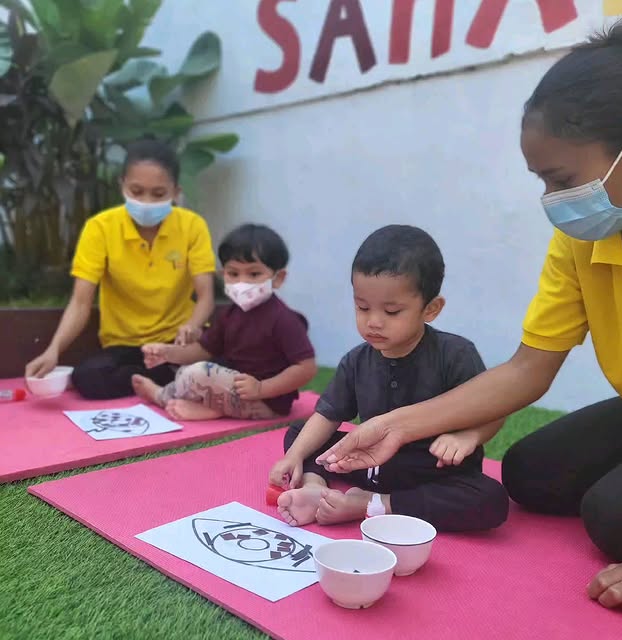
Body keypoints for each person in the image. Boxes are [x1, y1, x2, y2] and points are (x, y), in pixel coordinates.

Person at [316, 13, 622, 614]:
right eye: (542, 181)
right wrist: (398, 425)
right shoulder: (581, 241)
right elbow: (528, 369)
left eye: (562, 179)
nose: (553, 201)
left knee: (615, 516)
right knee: (529, 473)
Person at [269, 225, 509, 530]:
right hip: (369, 464)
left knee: (490, 499)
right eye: (362, 307)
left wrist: (468, 437)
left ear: (431, 309)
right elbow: (328, 415)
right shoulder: (357, 360)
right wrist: (294, 456)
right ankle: (316, 488)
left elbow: (493, 410)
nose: (373, 322)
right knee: (300, 434)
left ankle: (373, 504)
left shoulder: (456, 354)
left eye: (392, 311)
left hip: (433, 472)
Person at [24, 138, 216, 400]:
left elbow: (205, 296)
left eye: (158, 194)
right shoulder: (100, 228)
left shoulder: (192, 226)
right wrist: (54, 350)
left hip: (175, 343)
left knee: (219, 361)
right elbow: (80, 302)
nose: (146, 201)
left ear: (176, 192)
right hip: (123, 345)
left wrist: (192, 327)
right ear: (122, 186)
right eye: (136, 191)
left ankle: (158, 378)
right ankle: (165, 380)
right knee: (88, 377)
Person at [132, 224, 317, 421]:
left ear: (278, 278)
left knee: (199, 373)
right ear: (223, 275)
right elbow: (202, 350)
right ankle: (188, 400)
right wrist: (167, 353)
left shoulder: (284, 320)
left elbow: (306, 367)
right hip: (235, 389)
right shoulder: (229, 314)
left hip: (266, 402)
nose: (242, 282)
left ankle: (181, 401)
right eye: (233, 274)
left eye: (254, 274)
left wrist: (262, 388)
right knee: (189, 370)